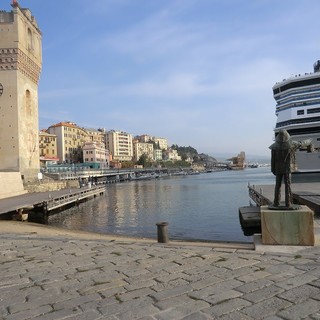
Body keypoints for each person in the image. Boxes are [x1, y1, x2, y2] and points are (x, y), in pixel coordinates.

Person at [269, 129, 312, 208]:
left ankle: (276, 203)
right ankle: (288, 204)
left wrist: (273, 170)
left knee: (277, 186)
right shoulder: (292, 144)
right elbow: (302, 143)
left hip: (278, 169)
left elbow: (272, 160)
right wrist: (310, 141)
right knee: (288, 186)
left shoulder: (274, 147)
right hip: (287, 168)